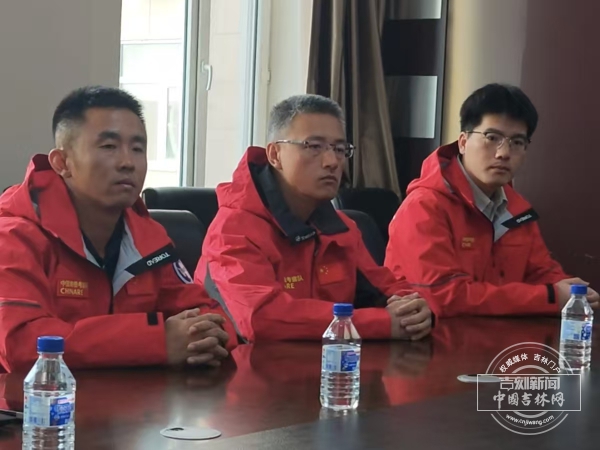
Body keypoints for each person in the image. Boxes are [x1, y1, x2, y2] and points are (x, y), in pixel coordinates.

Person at [0, 86, 235, 373]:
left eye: (137, 149)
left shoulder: (148, 237)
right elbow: (20, 343)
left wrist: (204, 337)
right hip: (34, 399)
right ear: (62, 163)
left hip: (131, 398)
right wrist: (155, 341)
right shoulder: (14, 236)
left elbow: (211, 315)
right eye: (109, 147)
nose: (127, 163)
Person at [194, 94, 432, 342]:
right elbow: (263, 320)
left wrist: (413, 309)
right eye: (314, 147)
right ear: (275, 155)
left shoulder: (341, 227)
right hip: (245, 364)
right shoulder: (232, 231)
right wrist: (379, 323)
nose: (332, 162)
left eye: (339, 149)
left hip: (329, 361)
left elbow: (385, 287)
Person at [385, 83, 599, 317]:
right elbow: (444, 298)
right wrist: (550, 297)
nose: (503, 153)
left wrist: (572, 293)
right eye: (492, 137)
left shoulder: (516, 209)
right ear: (463, 142)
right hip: (433, 336)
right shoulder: (424, 206)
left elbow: (541, 271)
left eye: (517, 142)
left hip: (499, 333)